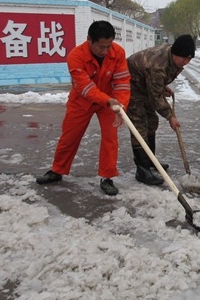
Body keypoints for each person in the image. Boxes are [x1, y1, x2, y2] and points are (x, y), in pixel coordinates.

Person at [36, 20, 131, 195]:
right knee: (69, 137)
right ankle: (57, 171)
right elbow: (86, 88)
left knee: (111, 138)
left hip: (110, 102)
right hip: (82, 101)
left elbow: (122, 82)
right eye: (101, 47)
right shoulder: (76, 56)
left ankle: (107, 177)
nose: (105, 51)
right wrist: (108, 100)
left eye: (109, 46)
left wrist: (120, 105)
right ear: (89, 40)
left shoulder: (118, 52)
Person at [126, 34, 196, 185]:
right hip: (130, 84)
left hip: (144, 81)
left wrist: (161, 85)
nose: (185, 62)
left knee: (152, 121)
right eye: (182, 58)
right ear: (174, 53)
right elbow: (156, 96)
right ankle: (142, 170)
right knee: (139, 125)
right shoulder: (158, 66)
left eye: (188, 58)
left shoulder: (171, 58)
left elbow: (154, 82)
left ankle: (150, 160)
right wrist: (170, 116)